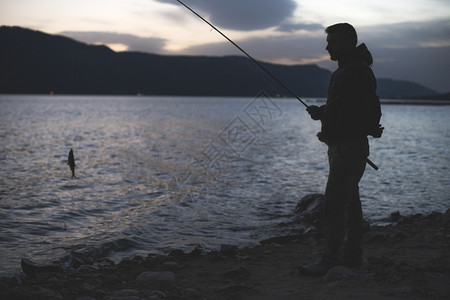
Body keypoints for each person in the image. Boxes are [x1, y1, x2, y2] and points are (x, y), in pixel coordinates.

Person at [299, 23, 382, 276]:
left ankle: (331, 260)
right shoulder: (353, 69)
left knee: (335, 204)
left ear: (347, 42)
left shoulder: (353, 71)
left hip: (347, 148)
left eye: (332, 42)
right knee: (351, 205)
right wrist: (322, 114)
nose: (327, 47)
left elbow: (359, 111)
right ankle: (353, 258)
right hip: (347, 146)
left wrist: (333, 123)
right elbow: (347, 108)